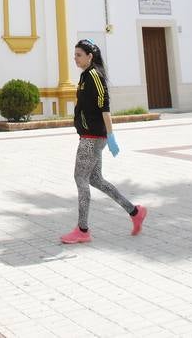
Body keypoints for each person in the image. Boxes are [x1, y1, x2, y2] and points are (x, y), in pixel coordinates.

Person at [61, 39, 146, 244]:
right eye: (75, 54)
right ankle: (135, 212)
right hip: (89, 135)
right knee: (95, 179)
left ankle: (83, 230)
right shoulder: (84, 76)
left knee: (80, 179)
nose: (75, 58)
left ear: (90, 56)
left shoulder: (94, 76)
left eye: (79, 55)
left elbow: (104, 107)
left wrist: (111, 135)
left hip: (92, 138)